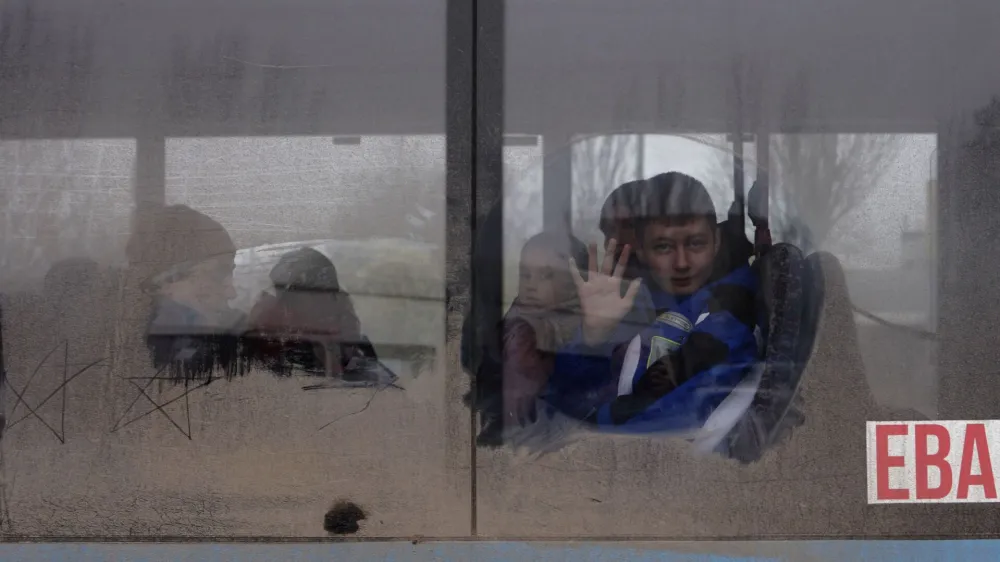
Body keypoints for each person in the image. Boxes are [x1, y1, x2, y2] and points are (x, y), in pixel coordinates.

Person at [545, 173, 762, 441]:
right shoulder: (632, 298)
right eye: (663, 247)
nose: (682, 263)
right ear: (641, 249)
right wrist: (593, 337)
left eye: (696, 243)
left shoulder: (730, 306)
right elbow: (563, 398)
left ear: (716, 241)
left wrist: (593, 424)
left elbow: (680, 415)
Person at [501, 231, 588, 428]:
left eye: (546, 276)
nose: (531, 285)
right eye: (526, 275)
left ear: (575, 282)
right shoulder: (520, 325)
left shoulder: (585, 321)